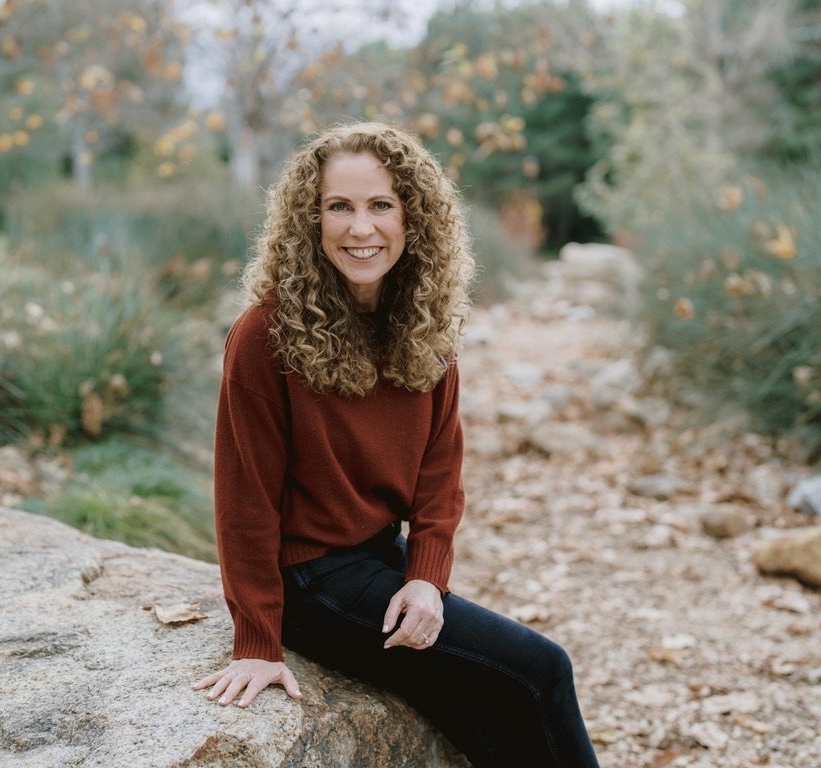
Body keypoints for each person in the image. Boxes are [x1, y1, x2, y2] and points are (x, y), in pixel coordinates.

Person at [193, 122, 599, 768]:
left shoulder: (423, 324)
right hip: (309, 581)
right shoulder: (264, 335)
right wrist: (257, 642)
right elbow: (244, 503)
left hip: (382, 559)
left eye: (381, 205)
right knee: (542, 672)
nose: (361, 228)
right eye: (339, 207)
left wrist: (426, 579)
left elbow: (441, 471)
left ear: (414, 219)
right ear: (310, 219)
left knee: (483, 716)